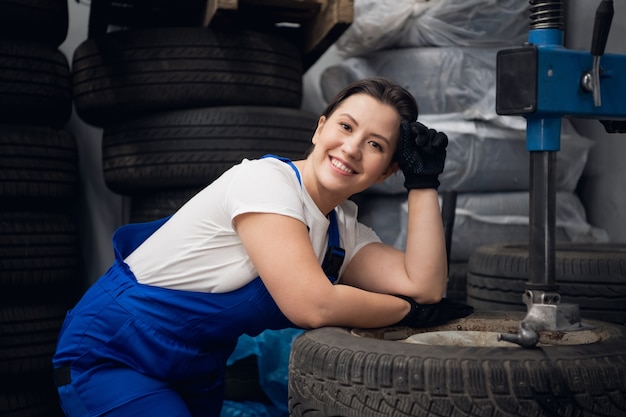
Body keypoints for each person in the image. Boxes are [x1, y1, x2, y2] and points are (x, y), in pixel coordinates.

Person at [52, 77, 472, 417]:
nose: (352, 148)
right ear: (319, 127)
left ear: (387, 171)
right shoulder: (265, 182)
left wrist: (422, 184)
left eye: (375, 145)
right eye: (345, 126)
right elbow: (313, 305)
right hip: (112, 354)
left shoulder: (344, 229)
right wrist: (405, 312)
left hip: (195, 367)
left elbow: (425, 285)